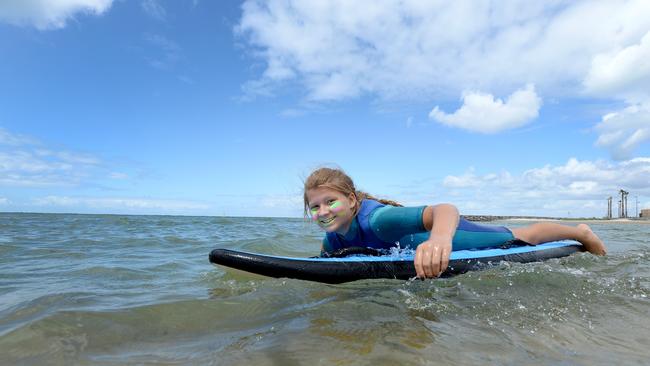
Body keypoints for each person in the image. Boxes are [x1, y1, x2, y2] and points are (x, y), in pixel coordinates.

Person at [303, 167, 607, 279]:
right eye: (314, 207)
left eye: (330, 201)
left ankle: (579, 231)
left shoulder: (380, 220)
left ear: (353, 200)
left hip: (456, 235)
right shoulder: (332, 240)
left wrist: (439, 241)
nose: (323, 211)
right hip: (427, 244)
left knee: (519, 235)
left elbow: (445, 209)